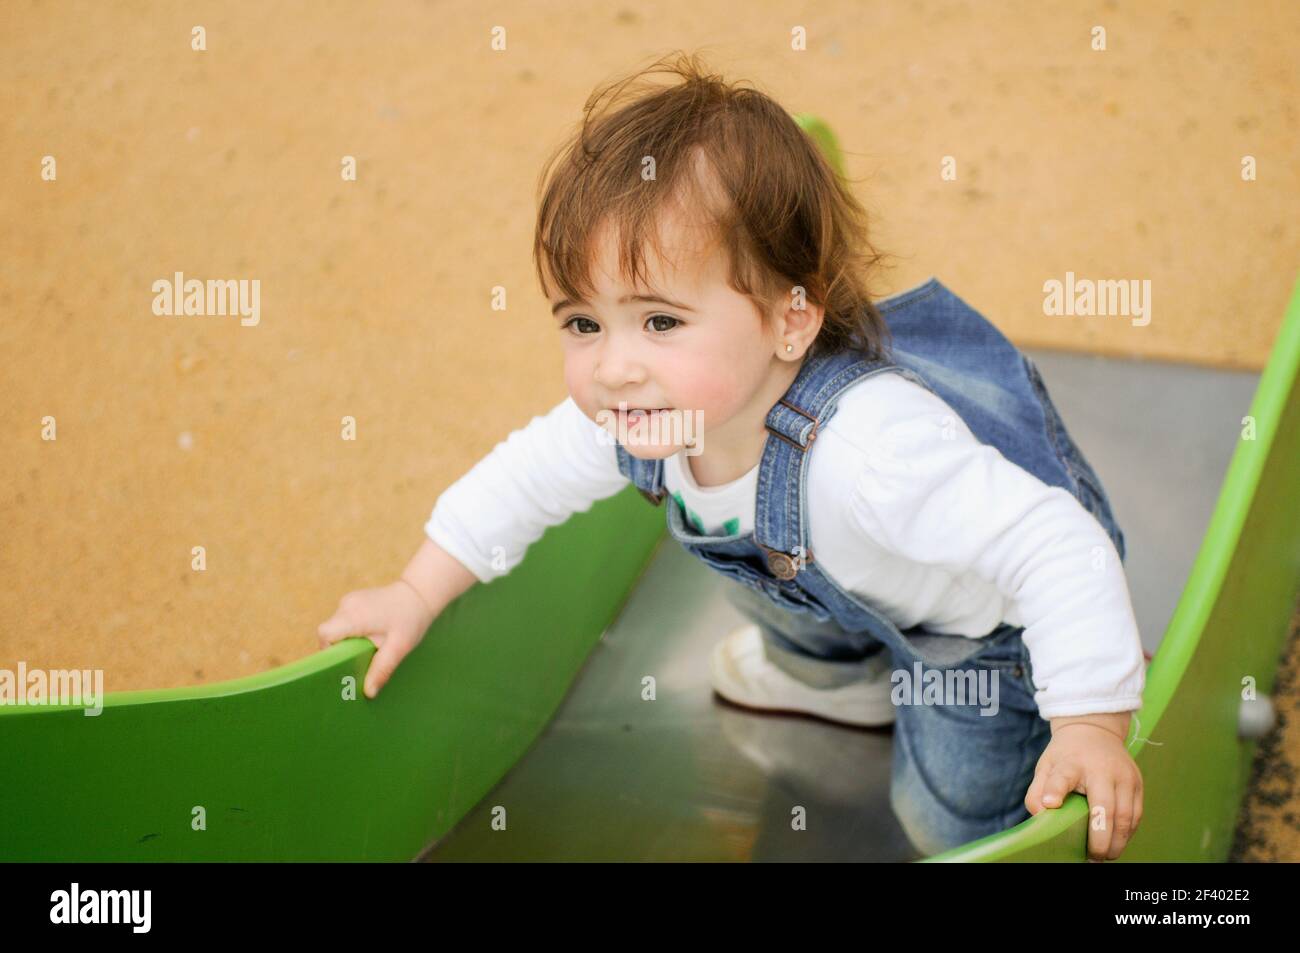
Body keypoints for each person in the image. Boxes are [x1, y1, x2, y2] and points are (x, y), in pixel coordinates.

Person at [318, 51, 1145, 860]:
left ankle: (1019, 748)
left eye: (661, 322)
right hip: (854, 590)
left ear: (791, 321)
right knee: (759, 567)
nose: (613, 365)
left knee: (948, 819)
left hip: (977, 635)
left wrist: (1090, 723)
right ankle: (837, 679)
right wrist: (416, 590)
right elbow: (522, 481)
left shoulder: (870, 452)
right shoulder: (638, 414)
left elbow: (1059, 545)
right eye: (583, 323)